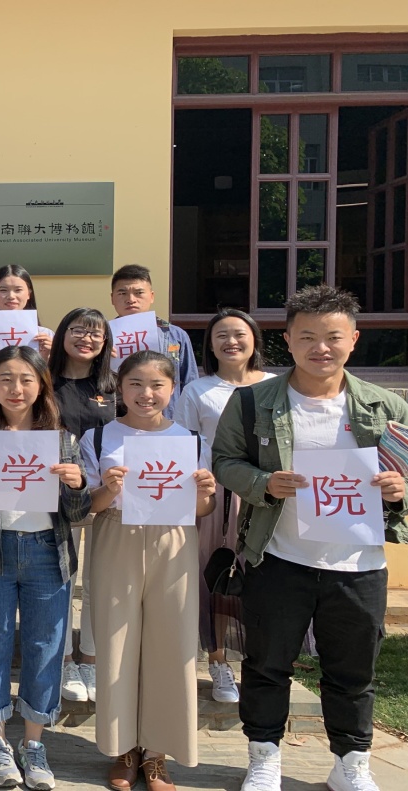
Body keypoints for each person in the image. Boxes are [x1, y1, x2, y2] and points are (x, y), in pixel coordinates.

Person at [212, 285, 406, 791]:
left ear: (354, 339)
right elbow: (224, 462)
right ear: (287, 340)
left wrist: (399, 489)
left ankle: (350, 764)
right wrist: (263, 483)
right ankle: (264, 757)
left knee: (352, 672)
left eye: (333, 337)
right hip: (279, 558)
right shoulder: (252, 402)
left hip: (359, 564)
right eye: (307, 337)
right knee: (266, 665)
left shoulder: (386, 406)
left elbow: (405, 474)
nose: (321, 348)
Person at [0, 345, 91, 789]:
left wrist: (77, 485)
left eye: (26, 379)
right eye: (6, 379)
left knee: (46, 645)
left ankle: (34, 742)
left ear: (41, 385)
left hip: (48, 553)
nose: (16, 388)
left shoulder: (63, 440)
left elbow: (77, 512)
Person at [83, 350, 216, 791]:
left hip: (174, 541)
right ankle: (123, 748)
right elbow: (89, 506)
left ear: (172, 388)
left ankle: (157, 753)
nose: (146, 394)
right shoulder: (99, 438)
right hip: (115, 534)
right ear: (119, 388)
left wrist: (205, 493)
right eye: (135, 384)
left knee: (171, 643)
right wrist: (108, 488)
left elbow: (202, 509)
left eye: (157, 384)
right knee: (116, 643)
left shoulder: (190, 440)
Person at [177, 308, 274, 706]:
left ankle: (260, 662)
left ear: (254, 340)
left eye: (239, 334)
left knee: (265, 578)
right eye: (221, 335)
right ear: (210, 345)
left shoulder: (276, 386)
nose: (231, 341)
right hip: (215, 498)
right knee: (215, 575)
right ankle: (219, 663)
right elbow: (184, 445)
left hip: (268, 495)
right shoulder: (197, 391)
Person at [48, 307, 117, 704]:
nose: (86, 339)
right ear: (63, 335)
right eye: (78, 330)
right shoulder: (45, 380)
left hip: (105, 497)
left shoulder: (113, 385)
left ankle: (89, 658)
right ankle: (64, 660)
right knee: (63, 579)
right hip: (56, 495)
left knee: (97, 582)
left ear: (105, 342)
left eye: (95, 333)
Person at [108, 264, 197, 418]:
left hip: (167, 420)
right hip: (118, 421)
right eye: (122, 293)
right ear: (112, 298)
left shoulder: (175, 335)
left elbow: (190, 382)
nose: (131, 299)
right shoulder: (102, 337)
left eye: (139, 293)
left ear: (152, 296)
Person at [0, 265, 53, 358]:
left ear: (29, 294)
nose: (11, 296)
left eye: (18, 290)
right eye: (3, 290)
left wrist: (48, 356)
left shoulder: (45, 335)